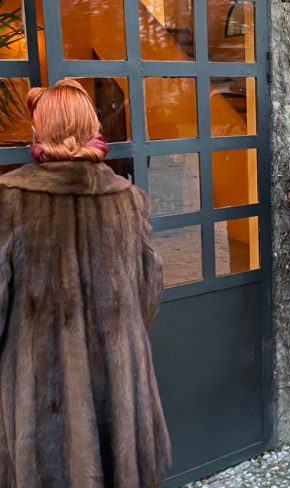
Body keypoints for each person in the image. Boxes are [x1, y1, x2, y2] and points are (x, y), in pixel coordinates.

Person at [0, 79, 171, 487]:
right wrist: (117, 335)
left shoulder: (9, 200)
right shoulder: (127, 198)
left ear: (40, 130)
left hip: (42, 397)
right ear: (91, 127)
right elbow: (149, 290)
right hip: (119, 389)